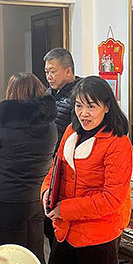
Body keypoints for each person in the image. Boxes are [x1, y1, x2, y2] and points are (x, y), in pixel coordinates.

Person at [41, 76, 132, 264]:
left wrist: (65, 209)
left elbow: (111, 198)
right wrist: (46, 192)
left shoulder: (117, 142)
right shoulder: (71, 131)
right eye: (79, 106)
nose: (84, 113)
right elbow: (56, 168)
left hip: (99, 234)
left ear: (106, 106)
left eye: (91, 106)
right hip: (65, 229)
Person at [0, 72, 57, 264]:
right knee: (36, 254)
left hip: (8, 199)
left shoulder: (4, 127)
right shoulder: (50, 126)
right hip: (37, 197)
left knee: (11, 257)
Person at [42, 48, 81, 251]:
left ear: (68, 71)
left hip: (71, 167)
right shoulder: (48, 94)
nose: (49, 76)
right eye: (46, 71)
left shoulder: (80, 95)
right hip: (49, 164)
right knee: (50, 222)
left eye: (53, 71)